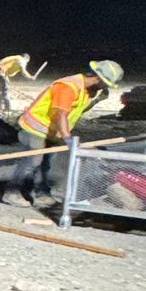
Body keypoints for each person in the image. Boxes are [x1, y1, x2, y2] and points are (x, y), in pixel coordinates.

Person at [14, 60, 122, 198]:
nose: (105, 87)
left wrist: (96, 100)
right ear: (98, 78)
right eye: (106, 84)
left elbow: (75, 111)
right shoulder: (68, 87)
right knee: (33, 162)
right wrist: (67, 138)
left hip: (51, 131)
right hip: (35, 127)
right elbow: (61, 114)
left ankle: (40, 192)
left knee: (44, 164)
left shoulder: (86, 90)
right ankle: (13, 192)